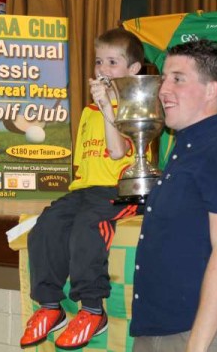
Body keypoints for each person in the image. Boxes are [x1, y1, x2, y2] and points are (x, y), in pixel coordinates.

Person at [130, 39, 217, 352]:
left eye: (178, 78)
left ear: (211, 91)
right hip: (157, 332)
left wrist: (197, 346)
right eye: (164, 78)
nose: (163, 89)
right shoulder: (184, 151)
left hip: (201, 337)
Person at [20, 28, 144, 350]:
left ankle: (92, 309)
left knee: (87, 228)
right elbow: (86, 164)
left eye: (112, 62)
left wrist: (107, 107)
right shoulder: (89, 113)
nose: (103, 69)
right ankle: (50, 305)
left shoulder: (133, 106)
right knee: (46, 225)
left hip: (119, 190)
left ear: (133, 70)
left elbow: (117, 152)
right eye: (99, 61)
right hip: (86, 189)